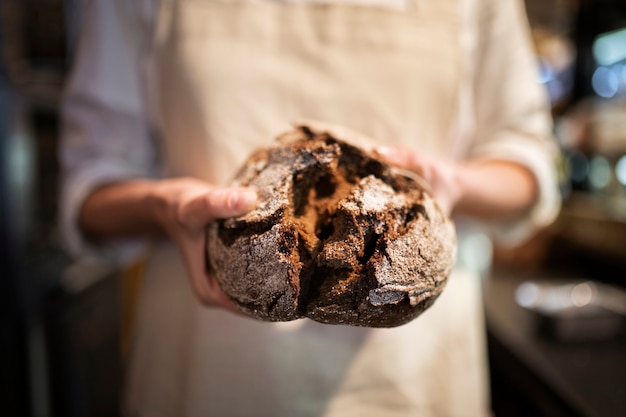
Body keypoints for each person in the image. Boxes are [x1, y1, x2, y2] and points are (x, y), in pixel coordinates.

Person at [60, 0, 560, 415]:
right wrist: (164, 206)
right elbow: (89, 187)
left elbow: (528, 164)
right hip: (209, 372)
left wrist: (453, 184)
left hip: (413, 377)